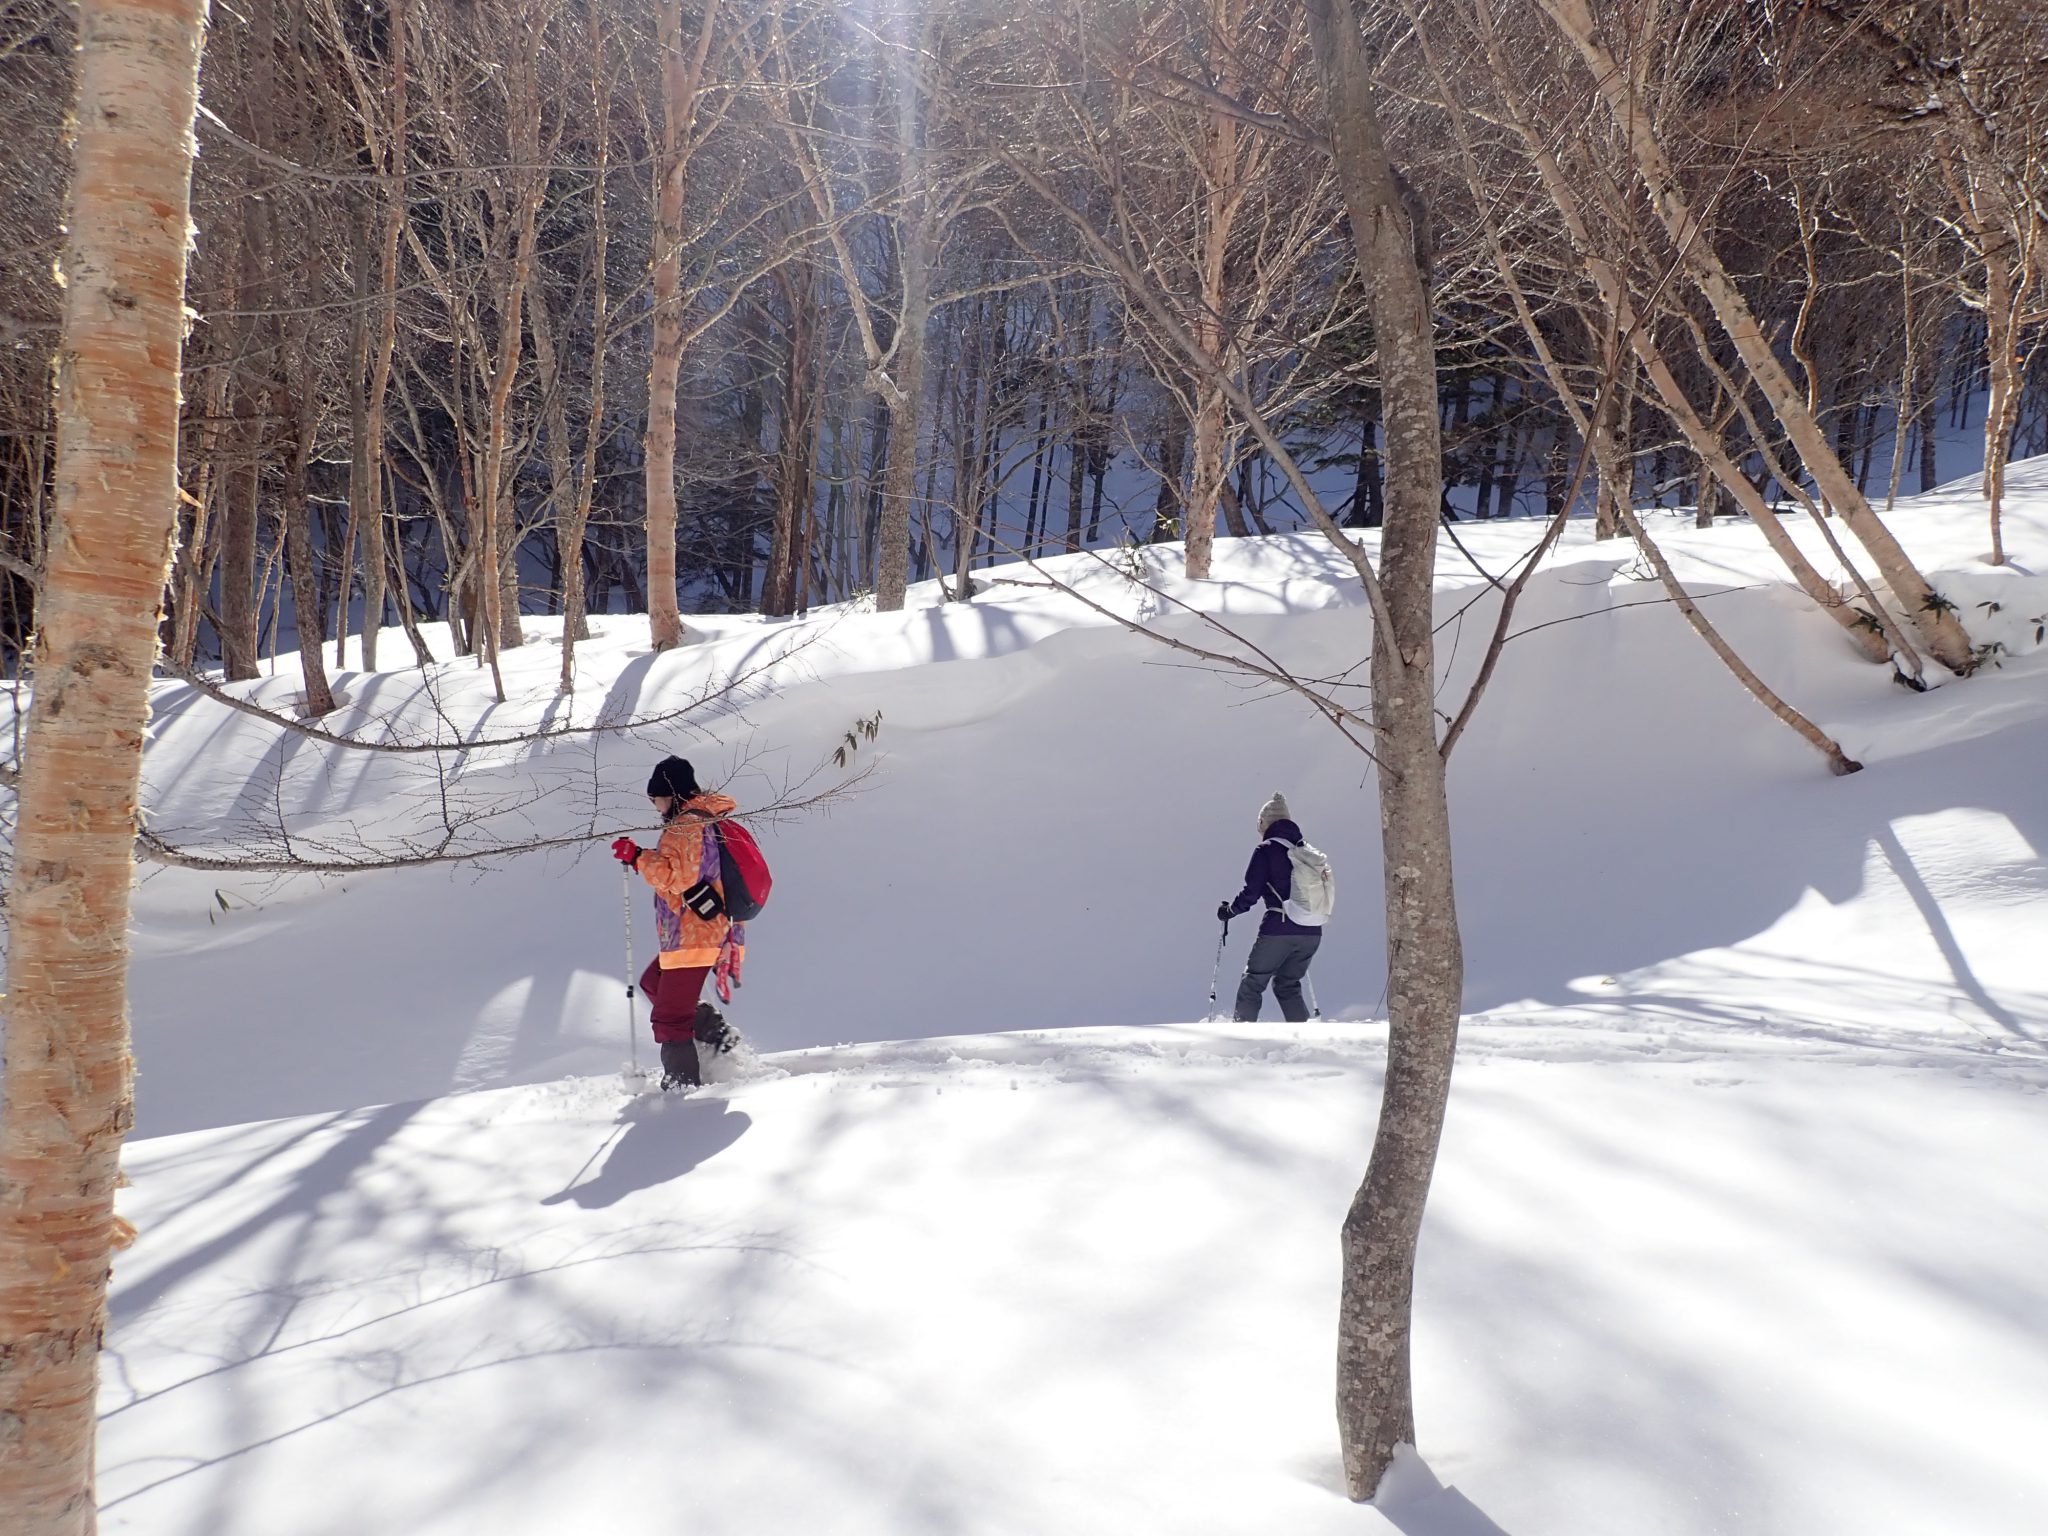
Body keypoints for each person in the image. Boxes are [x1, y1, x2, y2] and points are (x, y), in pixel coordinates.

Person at [612, 755, 742, 1089]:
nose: (655, 805)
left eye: (655, 797)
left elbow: (677, 877)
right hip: (691, 932)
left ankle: (681, 1089)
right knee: (653, 983)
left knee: (669, 1018)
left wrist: (639, 857)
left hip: (693, 934)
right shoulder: (696, 819)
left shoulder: (686, 825)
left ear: (670, 793)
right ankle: (717, 1035)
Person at [1217, 791, 1322, 1024]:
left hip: (1279, 927)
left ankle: (1242, 1033)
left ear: (1264, 824)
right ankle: (1305, 1036)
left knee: (1253, 982)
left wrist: (1230, 911)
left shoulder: (1266, 850)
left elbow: (1251, 893)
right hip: (1312, 929)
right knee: (1287, 984)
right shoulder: (1306, 851)